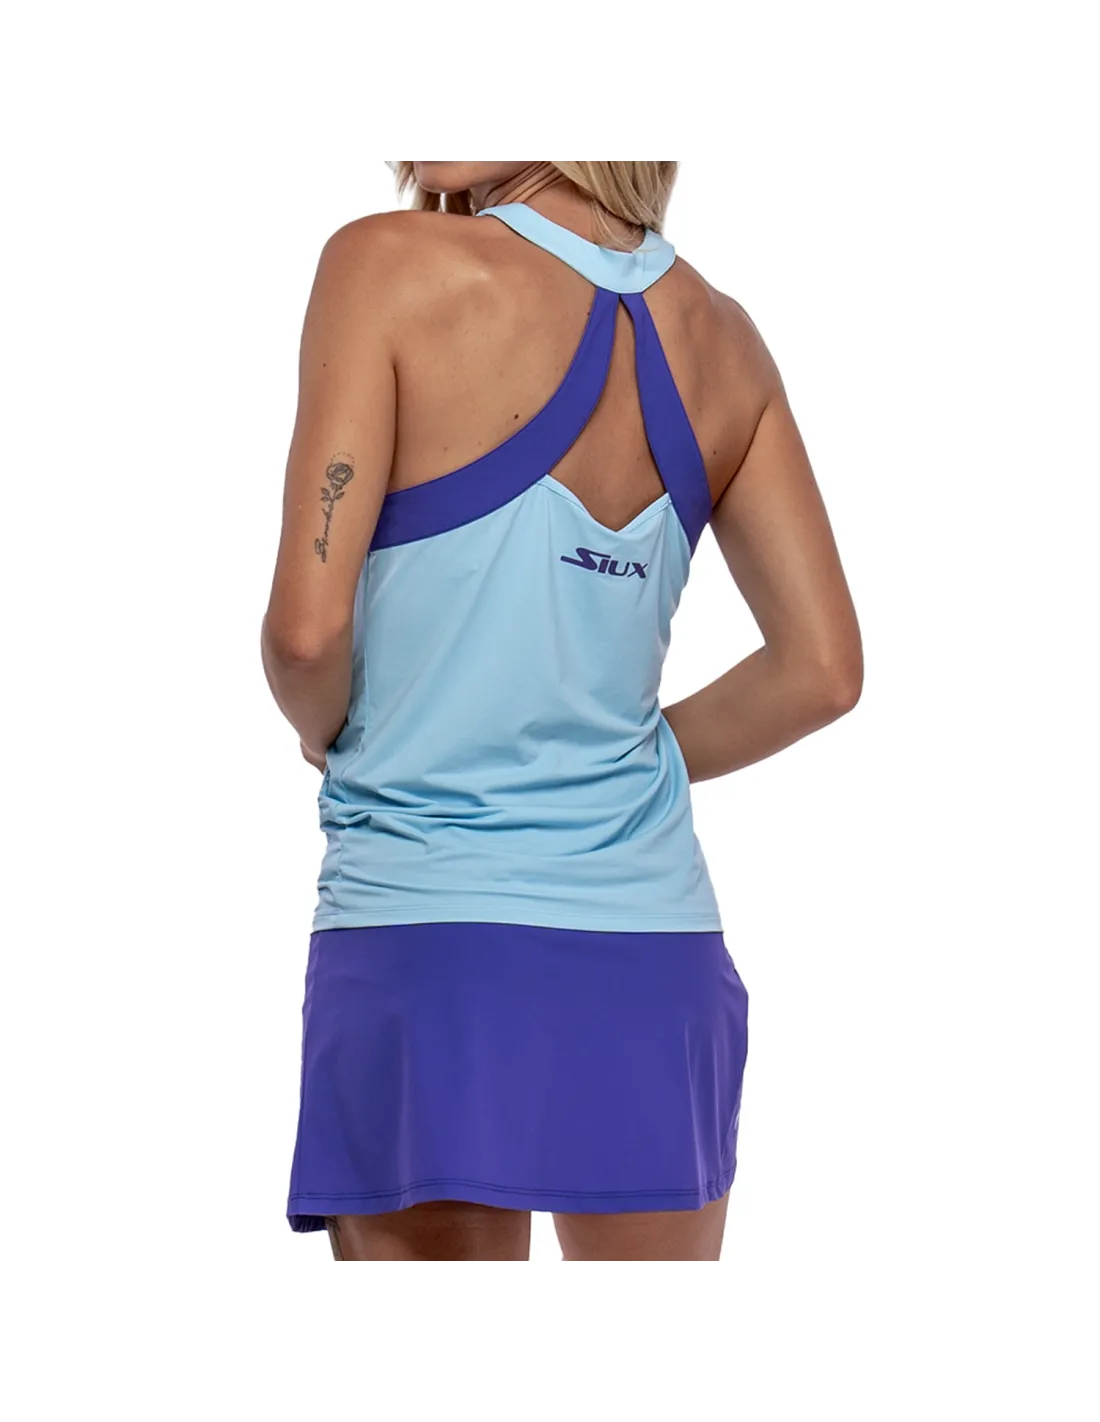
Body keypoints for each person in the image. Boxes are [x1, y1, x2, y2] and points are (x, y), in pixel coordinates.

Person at [260, 160, 862, 1264]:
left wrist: (327, 729)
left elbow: (305, 636)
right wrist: (618, 756)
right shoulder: (722, 339)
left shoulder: (383, 265)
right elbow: (821, 669)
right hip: (656, 958)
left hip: (427, 935)